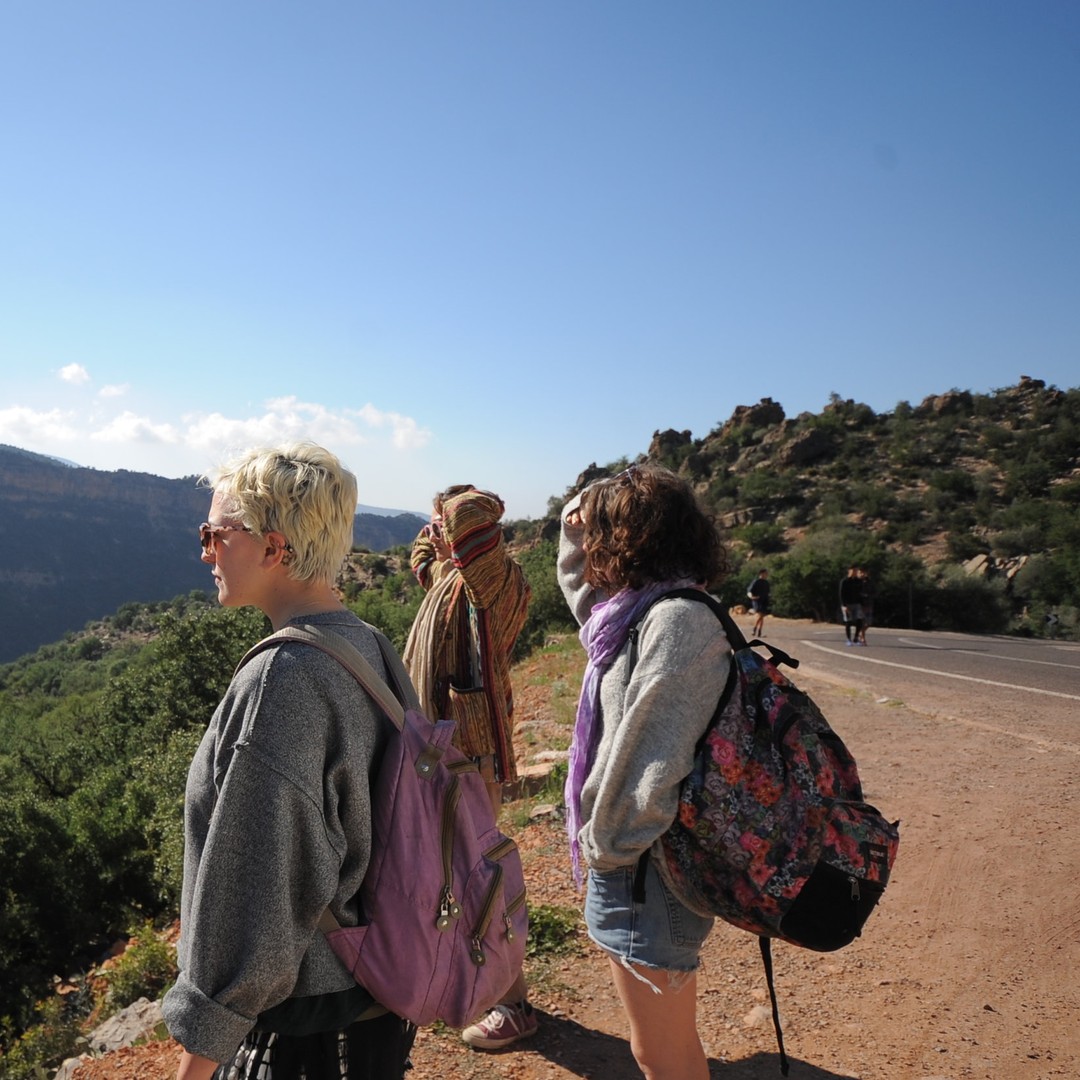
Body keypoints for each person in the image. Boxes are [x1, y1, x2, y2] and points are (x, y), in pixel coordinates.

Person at [162, 442, 417, 1080]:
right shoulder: (368, 644)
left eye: (215, 533)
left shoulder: (284, 678)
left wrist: (197, 1063)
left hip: (304, 1031)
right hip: (374, 1003)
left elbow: (258, 894)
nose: (204, 551)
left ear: (274, 548)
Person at [557, 464, 731, 1080]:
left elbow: (652, 757)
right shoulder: (626, 615)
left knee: (661, 1054)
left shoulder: (676, 621)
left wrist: (606, 848)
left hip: (645, 870)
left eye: (599, 532)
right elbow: (577, 584)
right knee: (656, 1047)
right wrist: (576, 515)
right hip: (634, 866)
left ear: (629, 537)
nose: (589, 546)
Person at [402, 484, 534, 1050]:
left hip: (473, 754)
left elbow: (464, 528)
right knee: (455, 875)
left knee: (482, 878)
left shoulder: (496, 583)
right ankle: (475, 982)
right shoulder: (453, 586)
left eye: (448, 524)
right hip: (446, 750)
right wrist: (430, 534)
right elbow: (422, 562)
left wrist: (453, 504)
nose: (440, 531)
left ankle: (515, 1004)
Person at [839, 565, 865, 646]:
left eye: (856, 571)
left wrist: (862, 604)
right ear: (849, 571)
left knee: (859, 620)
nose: (855, 572)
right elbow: (841, 594)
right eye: (853, 571)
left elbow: (860, 593)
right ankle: (848, 639)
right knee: (848, 621)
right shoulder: (844, 581)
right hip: (847, 604)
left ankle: (856, 638)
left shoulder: (858, 581)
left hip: (857, 604)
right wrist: (844, 605)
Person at [747, 568, 771, 637]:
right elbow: (749, 591)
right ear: (761, 574)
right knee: (760, 615)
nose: (767, 575)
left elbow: (768, 592)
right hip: (757, 601)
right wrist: (751, 597)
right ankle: (754, 629)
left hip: (764, 601)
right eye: (766, 573)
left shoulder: (766, 583)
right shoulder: (756, 581)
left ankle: (759, 631)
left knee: (762, 616)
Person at [856, 567, 873, 645]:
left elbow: (874, 591)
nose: (862, 574)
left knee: (868, 623)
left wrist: (869, 596)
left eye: (864, 572)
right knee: (862, 622)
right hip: (859, 605)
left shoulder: (869, 581)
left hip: (868, 604)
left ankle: (860, 633)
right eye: (860, 572)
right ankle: (862, 638)